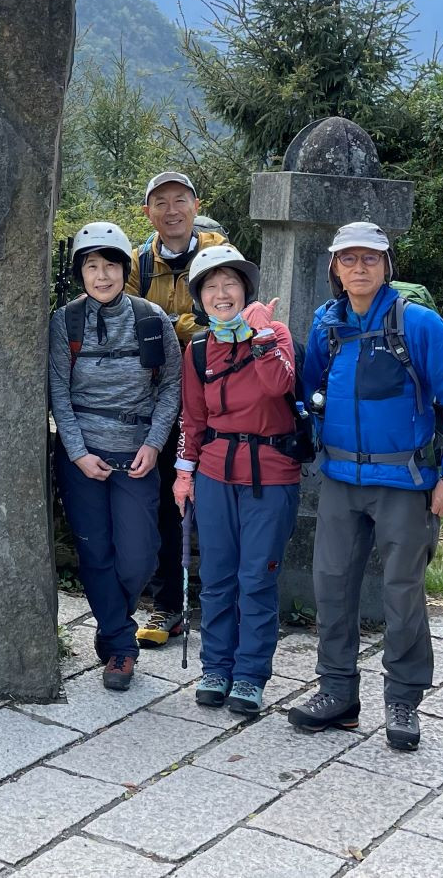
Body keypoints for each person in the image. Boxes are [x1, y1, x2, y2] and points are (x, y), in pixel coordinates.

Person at [288, 221, 443, 751]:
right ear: (335, 268)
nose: (359, 268)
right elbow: (309, 391)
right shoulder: (329, 325)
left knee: (401, 594)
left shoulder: (419, 325)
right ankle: (337, 692)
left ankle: (403, 697)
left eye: (369, 258)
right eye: (348, 259)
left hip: (405, 478)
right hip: (341, 478)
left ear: (386, 264)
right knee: (331, 585)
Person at [48, 222, 181, 691]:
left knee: (138, 557)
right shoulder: (66, 321)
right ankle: (120, 646)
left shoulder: (152, 319)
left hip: (137, 453)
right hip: (82, 454)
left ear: (125, 269)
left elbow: (170, 388)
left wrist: (154, 444)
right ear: (80, 273)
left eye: (110, 266)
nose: (101, 276)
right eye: (91, 266)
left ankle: (112, 623)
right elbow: (57, 394)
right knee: (94, 550)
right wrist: (79, 453)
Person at [172, 243, 299, 716]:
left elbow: (278, 386)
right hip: (214, 473)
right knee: (218, 576)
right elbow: (193, 416)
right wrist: (184, 475)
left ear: (246, 289)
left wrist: (262, 335)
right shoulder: (199, 347)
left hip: (270, 472)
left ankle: (249, 676)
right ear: (200, 298)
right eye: (211, 286)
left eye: (230, 284)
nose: (221, 294)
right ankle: (216, 667)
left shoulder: (275, 332)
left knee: (256, 578)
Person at [125, 171, 228, 648]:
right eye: (160, 202)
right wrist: (183, 326)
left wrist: (165, 323)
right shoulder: (137, 264)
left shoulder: (218, 256)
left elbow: (223, 321)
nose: (171, 210)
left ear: (195, 204)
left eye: (180, 200)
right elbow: (126, 322)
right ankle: (168, 605)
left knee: (220, 501)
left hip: (218, 398)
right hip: (161, 399)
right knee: (170, 499)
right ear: (148, 213)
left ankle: (226, 604)